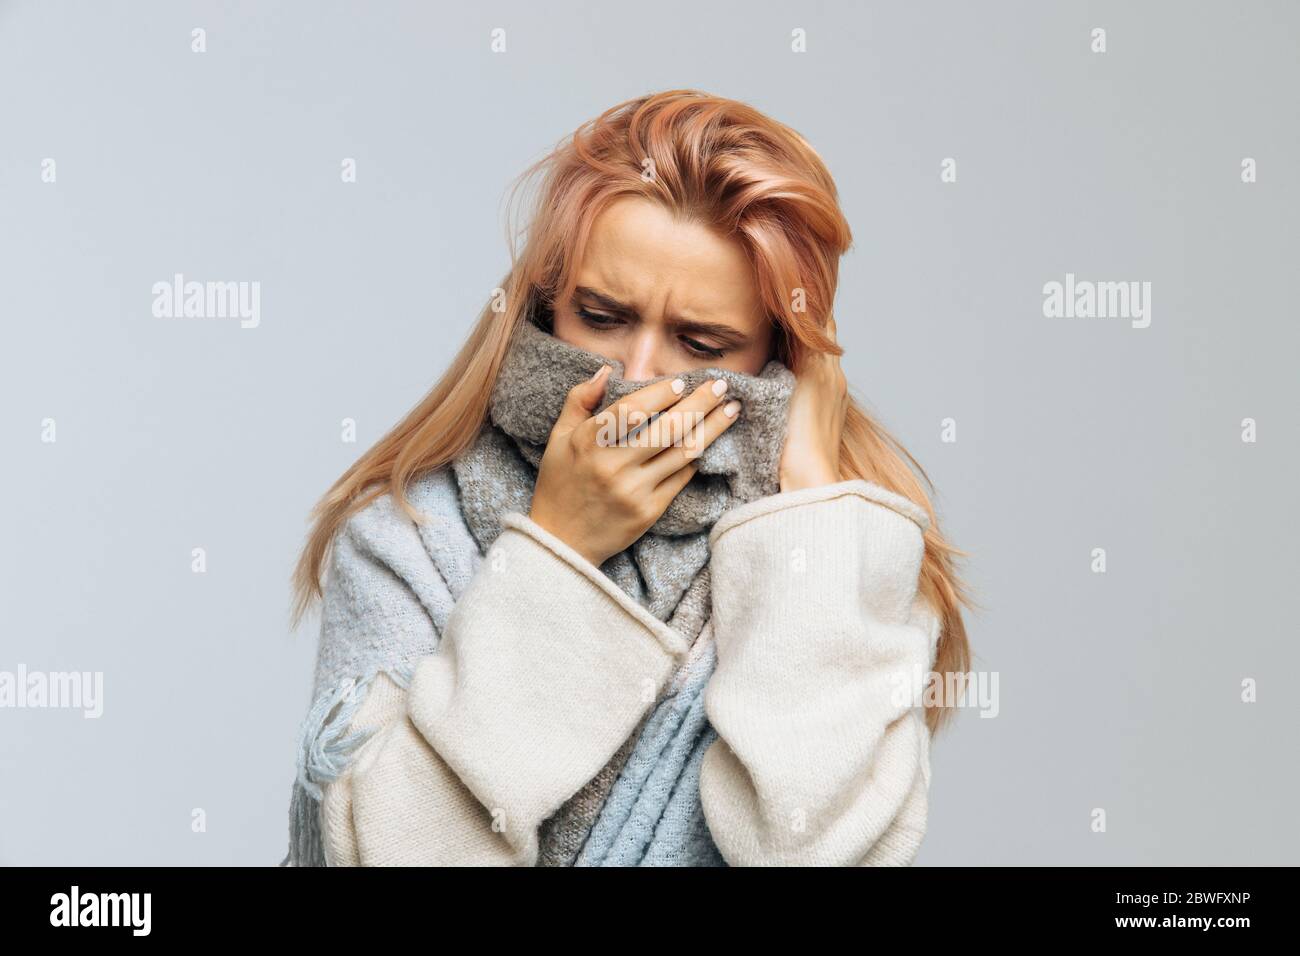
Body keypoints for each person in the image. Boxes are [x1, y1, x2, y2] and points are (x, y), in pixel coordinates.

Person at [281, 89, 975, 867]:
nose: (638, 376)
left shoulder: (838, 556)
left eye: (701, 342)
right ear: (542, 308)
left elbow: (814, 852)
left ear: (783, 360)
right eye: (602, 317)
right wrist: (557, 557)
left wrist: (811, 507)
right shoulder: (406, 539)